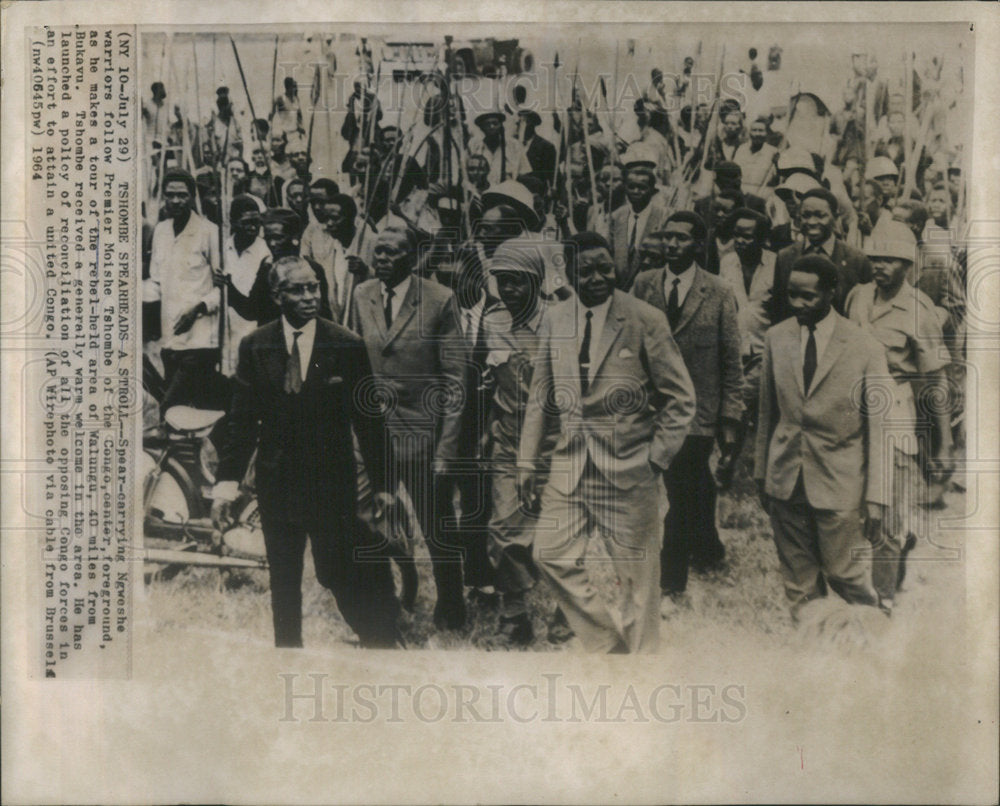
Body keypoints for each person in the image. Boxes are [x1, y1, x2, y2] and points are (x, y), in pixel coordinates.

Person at [210, 256, 402, 648]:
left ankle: (380, 638)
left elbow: (369, 421)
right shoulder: (255, 345)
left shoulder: (345, 344)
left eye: (313, 287)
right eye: (297, 290)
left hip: (331, 482)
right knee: (283, 578)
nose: (309, 296)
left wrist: (384, 485)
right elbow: (242, 421)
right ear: (277, 295)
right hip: (277, 482)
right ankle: (288, 656)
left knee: (337, 568)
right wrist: (226, 486)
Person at [517, 232, 696, 653]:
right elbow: (541, 396)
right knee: (548, 553)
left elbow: (681, 398)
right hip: (570, 464)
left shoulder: (644, 318)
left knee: (637, 580)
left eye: (605, 267)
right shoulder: (556, 319)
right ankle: (606, 644)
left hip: (631, 467)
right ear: (567, 272)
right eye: (586, 270)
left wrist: (656, 458)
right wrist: (526, 462)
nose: (598, 277)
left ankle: (644, 666)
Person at [754, 254, 889, 618]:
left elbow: (879, 430)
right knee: (799, 582)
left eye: (808, 297)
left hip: (840, 482)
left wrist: (877, 496)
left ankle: (875, 644)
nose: (798, 304)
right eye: (792, 295)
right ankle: (812, 656)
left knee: (846, 575)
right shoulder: (775, 338)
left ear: (831, 293)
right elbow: (768, 413)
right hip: (786, 478)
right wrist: (761, 473)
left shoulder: (864, 347)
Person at [351, 227, 469, 631]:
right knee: (366, 519)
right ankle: (388, 595)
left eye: (392, 252)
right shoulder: (361, 294)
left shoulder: (440, 299)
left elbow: (456, 380)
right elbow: (354, 360)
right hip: (371, 435)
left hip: (422, 437)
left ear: (414, 257)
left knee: (436, 527)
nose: (382, 258)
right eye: (377, 252)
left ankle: (452, 605)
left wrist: (446, 450)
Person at [631, 212, 744, 598]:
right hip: (653, 407)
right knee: (693, 487)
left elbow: (732, 358)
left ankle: (671, 578)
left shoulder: (719, 291)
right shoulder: (644, 284)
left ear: (698, 245)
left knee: (681, 492)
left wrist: (730, 416)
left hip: (699, 411)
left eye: (681, 239)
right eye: (667, 238)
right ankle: (709, 546)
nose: (672, 245)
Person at [845, 221, 953, 613]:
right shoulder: (857, 297)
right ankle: (858, 583)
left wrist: (945, 443)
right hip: (852, 409)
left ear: (908, 265)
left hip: (895, 410)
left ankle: (883, 599)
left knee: (888, 507)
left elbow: (936, 380)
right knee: (854, 504)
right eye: (876, 258)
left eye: (890, 259)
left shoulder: (918, 310)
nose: (880, 266)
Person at [481, 237, 559, 644]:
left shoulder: (560, 322)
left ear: (538, 281)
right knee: (505, 527)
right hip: (507, 442)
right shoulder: (492, 322)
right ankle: (514, 614)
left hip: (554, 443)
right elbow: (487, 380)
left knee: (560, 531)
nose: (508, 289)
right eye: (501, 281)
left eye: (517, 282)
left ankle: (568, 610)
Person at [144, 169, 223, 413]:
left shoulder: (209, 231)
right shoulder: (161, 231)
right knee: (185, 410)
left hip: (200, 338)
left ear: (191, 197)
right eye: (170, 195)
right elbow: (156, 282)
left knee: (171, 406)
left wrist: (198, 309)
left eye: (182, 195)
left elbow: (222, 287)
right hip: (170, 338)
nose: (176, 201)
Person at [770, 188, 873, 322]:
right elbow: (778, 310)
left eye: (820, 215)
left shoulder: (857, 259)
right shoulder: (785, 257)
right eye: (806, 215)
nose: (812, 222)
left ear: (835, 217)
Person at [225, 207, 333, 327]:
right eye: (268, 238)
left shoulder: (312, 269)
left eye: (278, 237)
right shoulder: (267, 267)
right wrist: (229, 287)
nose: (272, 244)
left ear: (294, 236)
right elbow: (252, 311)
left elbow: (324, 316)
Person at [221, 195, 270, 377]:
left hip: (252, 326)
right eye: (246, 222)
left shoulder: (266, 252)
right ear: (233, 222)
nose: (253, 228)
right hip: (225, 326)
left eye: (257, 223)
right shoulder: (222, 248)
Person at [610, 152, 673, 290]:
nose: (636, 191)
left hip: (650, 288)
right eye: (631, 187)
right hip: (619, 289)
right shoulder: (616, 216)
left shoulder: (664, 217)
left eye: (642, 187)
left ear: (652, 190)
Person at [733, 117, 778, 197]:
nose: (757, 134)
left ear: (766, 133)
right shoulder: (741, 149)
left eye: (761, 130)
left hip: (762, 197)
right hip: (741, 196)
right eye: (754, 130)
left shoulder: (773, 152)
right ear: (749, 132)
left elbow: (777, 179)